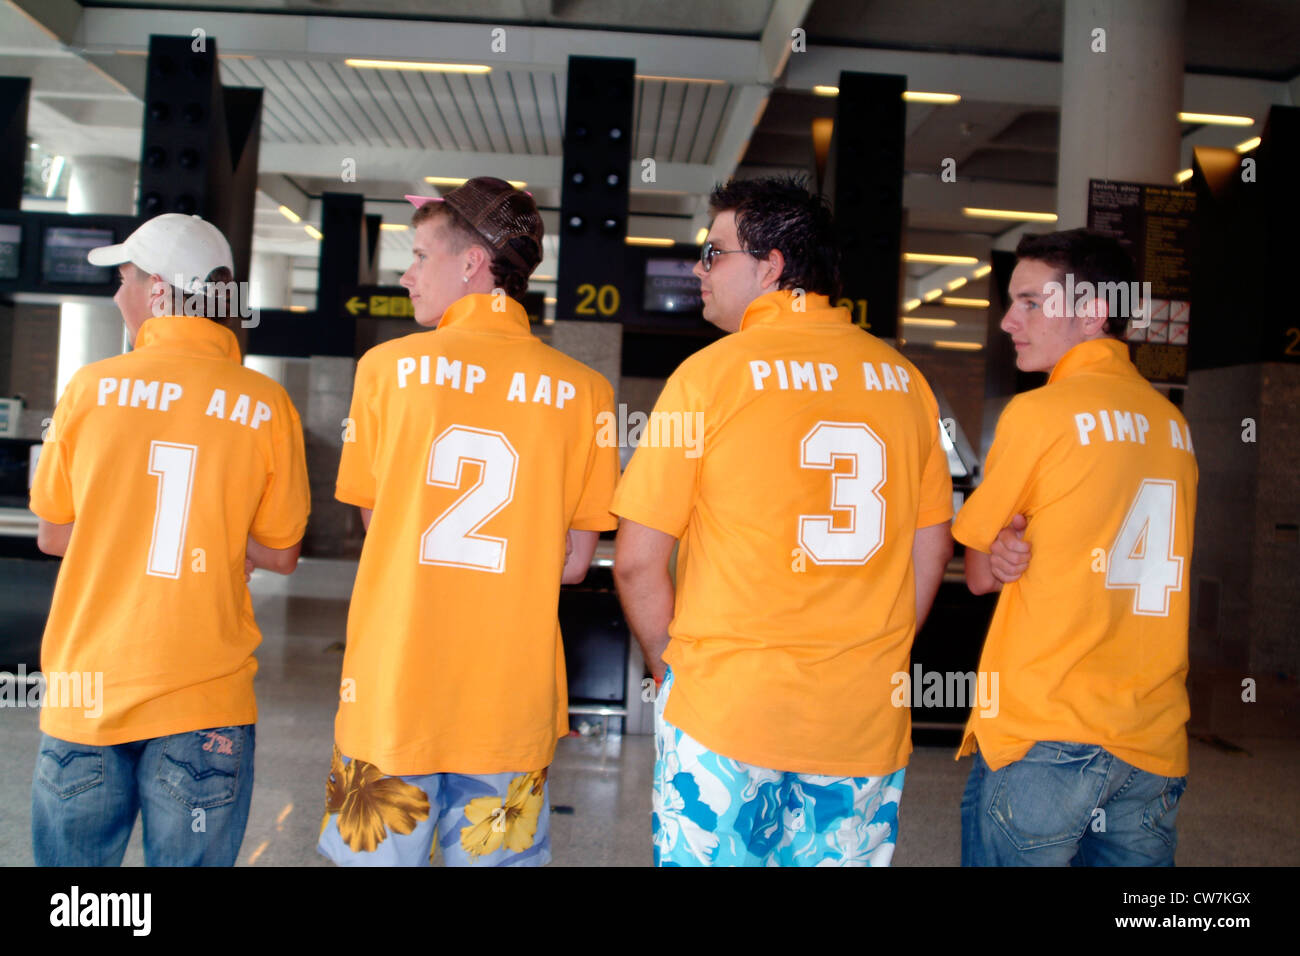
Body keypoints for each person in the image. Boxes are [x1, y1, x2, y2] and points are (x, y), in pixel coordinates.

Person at [611, 176, 954, 867]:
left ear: (770, 267)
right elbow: (931, 552)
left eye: (714, 254)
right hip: (860, 720)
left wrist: (670, 671)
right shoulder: (906, 383)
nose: (699, 270)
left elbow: (638, 560)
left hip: (726, 712)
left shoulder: (708, 378)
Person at [318, 177, 619, 867]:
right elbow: (575, 563)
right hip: (508, 704)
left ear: (471, 264)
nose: (406, 273)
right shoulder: (586, 393)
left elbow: (378, 524)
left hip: (394, 693)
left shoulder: (385, 370)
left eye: (421, 255)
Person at [29, 213, 310, 866]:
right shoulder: (264, 404)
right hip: (204, 695)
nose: (118, 294)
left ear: (157, 289)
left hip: (87, 686)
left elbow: (52, 535)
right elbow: (281, 552)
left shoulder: (90, 388)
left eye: (125, 278)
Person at [955, 228, 1198, 866]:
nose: (1009, 320)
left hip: (1045, 730)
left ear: (1092, 312)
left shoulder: (1040, 414)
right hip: (1150, 738)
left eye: (1032, 302)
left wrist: (999, 547)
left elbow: (979, 574)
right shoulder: (1172, 424)